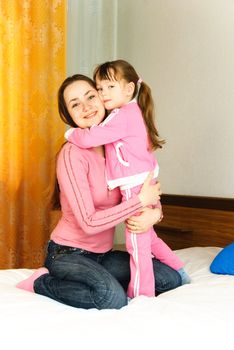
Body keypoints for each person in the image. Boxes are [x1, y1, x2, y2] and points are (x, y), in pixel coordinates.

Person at [16, 74, 182, 309]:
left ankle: (98, 278)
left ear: (102, 98)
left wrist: (156, 214)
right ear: (68, 115)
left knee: (169, 279)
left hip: (104, 255)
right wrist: (138, 202)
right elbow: (89, 222)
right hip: (68, 254)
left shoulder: (117, 145)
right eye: (75, 104)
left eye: (90, 96)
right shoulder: (72, 154)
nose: (85, 107)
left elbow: (145, 189)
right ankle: (40, 282)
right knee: (110, 298)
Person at [65, 60, 190, 299]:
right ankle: (180, 270)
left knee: (137, 247)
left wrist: (71, 133)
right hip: (143, 185)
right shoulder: (131, 113)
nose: (103, 94)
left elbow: (92, 137)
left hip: (136, 189)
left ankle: (142, 296)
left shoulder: (123, 116)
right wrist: (155, 211)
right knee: (150, 238)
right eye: (100, 88)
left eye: (109, 87)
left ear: (129, 89)